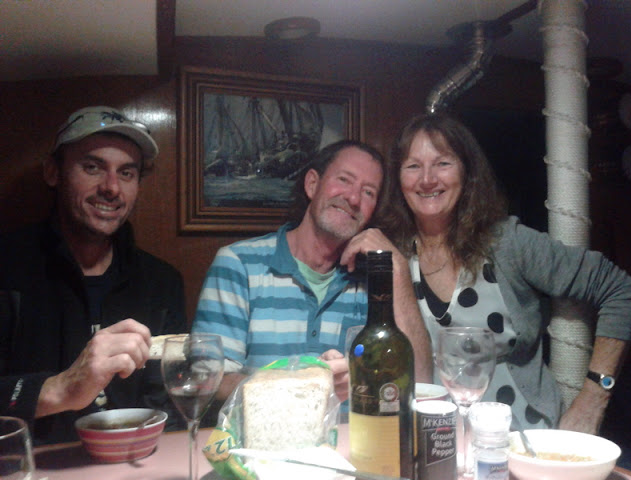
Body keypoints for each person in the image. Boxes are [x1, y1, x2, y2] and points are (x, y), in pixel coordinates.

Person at [381, 112, 631, 433]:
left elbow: (620, 289)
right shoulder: (394, 256)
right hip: (434, 441)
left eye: (443, 163)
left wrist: (593, 399)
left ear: (467, 172)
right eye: (412, 166)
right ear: (398, 179)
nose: (427, 179)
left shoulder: (508, 243)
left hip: (521, 438)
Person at [0, 106, 188, 444]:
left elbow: (168, 402)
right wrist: (61, 389)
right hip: (29, 463)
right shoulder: (8, 266)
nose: (111, 188)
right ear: (53, 172)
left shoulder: (162, 282)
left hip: (135, 460)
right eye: (92, 167)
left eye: (127, 173)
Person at [192, 139, 431, 403]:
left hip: (351, 431)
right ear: (312, 184)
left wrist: (397, 268)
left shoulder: (374, 282)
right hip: (263, 430)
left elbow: (421, 384)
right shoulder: (239, 264)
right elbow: (208, 380)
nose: (353, 198)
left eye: (368, 192)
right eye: (344, 180)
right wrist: (299, 386)